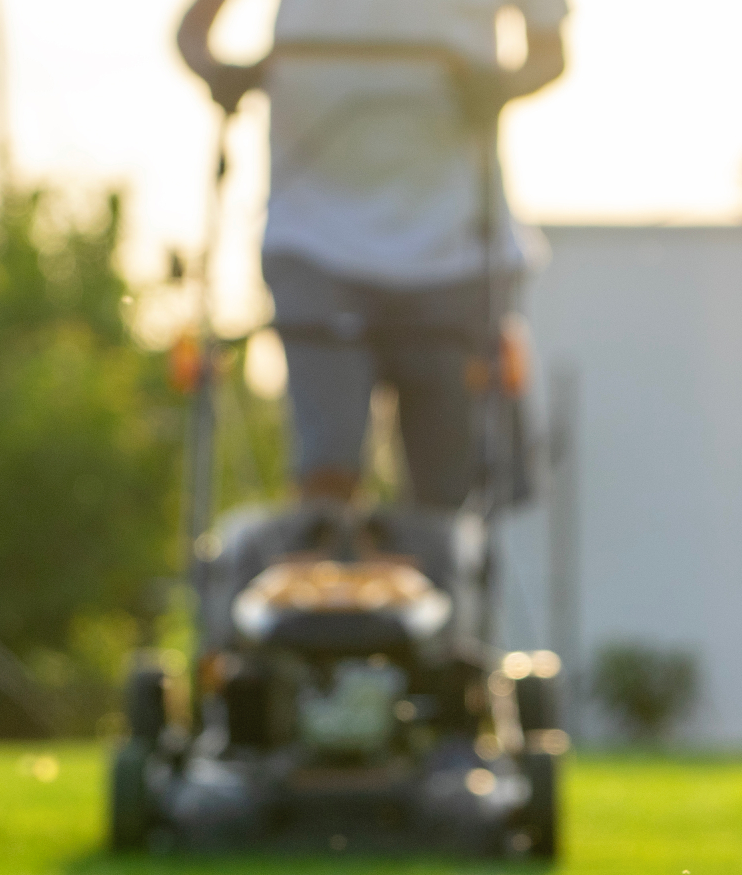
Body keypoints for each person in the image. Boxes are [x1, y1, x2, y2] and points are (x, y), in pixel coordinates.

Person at [177, 0, 568, 510]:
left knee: (445, 499)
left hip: (455, 249)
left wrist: (499, 84)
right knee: (327, 477)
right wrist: (222, 72)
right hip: (313, 237)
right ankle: (324, 569)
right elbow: (193, 31)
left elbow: (549, 52)